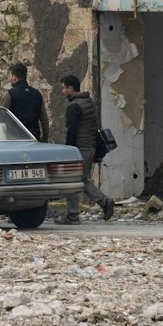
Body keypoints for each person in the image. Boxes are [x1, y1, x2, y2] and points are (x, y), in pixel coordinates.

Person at [58, 72, 116, 222]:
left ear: (71, 88)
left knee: (72, 181)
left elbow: (72, 130)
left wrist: (68, 150)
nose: (63, 91)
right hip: (90, 147)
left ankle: (73, 215)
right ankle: (104, 202)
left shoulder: (74, 106)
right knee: (81, 179)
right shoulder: (87, 101)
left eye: (64, 88)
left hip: (80, 149)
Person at [7, 63, 46, 141]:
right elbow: (44, 119)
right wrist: (45, 137)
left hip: (15, 139)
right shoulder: (37, 94)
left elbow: (1, 116)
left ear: (14, 77)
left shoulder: (10, 94)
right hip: (34, 137)